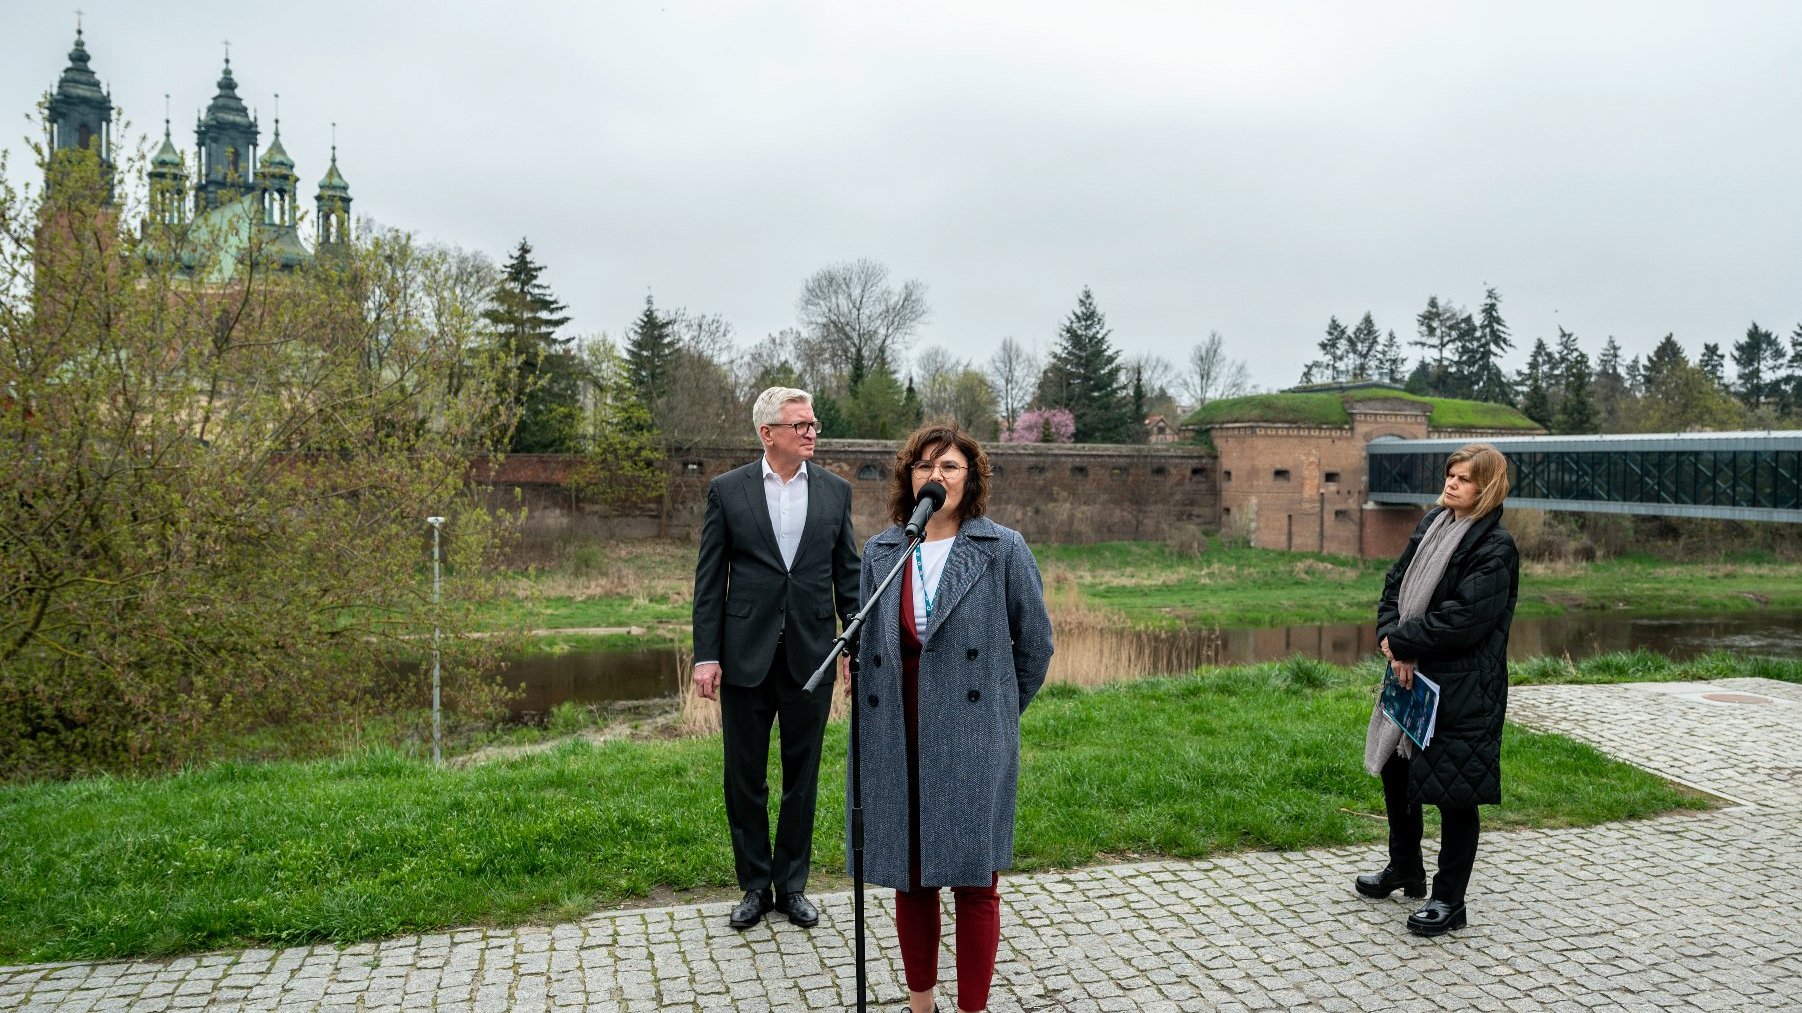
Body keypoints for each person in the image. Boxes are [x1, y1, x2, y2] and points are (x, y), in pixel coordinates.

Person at [851, 422, 1054, 1013]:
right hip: (897, 733)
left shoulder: (1003, 549)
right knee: (911, 879)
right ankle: (922, 1004)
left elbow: (1035, 644)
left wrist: (996, 714)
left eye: (950, 467)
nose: (935, 477)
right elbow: (869, 645)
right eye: (924, 466)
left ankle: (972, 1008)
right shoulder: (884, 551)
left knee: (973, 881)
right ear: (908, 478)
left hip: (971, 736)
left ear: (972, 480)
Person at [692, 387, 860, 931]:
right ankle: (753, 886)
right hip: (744, 658)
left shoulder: (836, 492)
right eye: (800, 425)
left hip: (811, 658)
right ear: (768, 433)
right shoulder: (728, 491)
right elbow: (709, 580)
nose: (811, 433)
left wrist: (854, 648)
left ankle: (792, 886)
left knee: (801, 777)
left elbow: (848, 577)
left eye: (814, 424)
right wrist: (705, 656)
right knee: (744, 778)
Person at [1358, 442, 1519, 936]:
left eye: (1465, 478)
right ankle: (1405, 867)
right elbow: (1395, 585)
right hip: (1410, 675)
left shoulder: (1495, 547)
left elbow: (1465, 620)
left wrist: (1402, 642)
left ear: (1486, 486)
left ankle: (1450, 900)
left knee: (1455, 790)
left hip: (1463, 687)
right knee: (1397, 773)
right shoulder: (1432, 526)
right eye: (1451, 474)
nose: (1452, 483)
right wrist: (1392, 639)